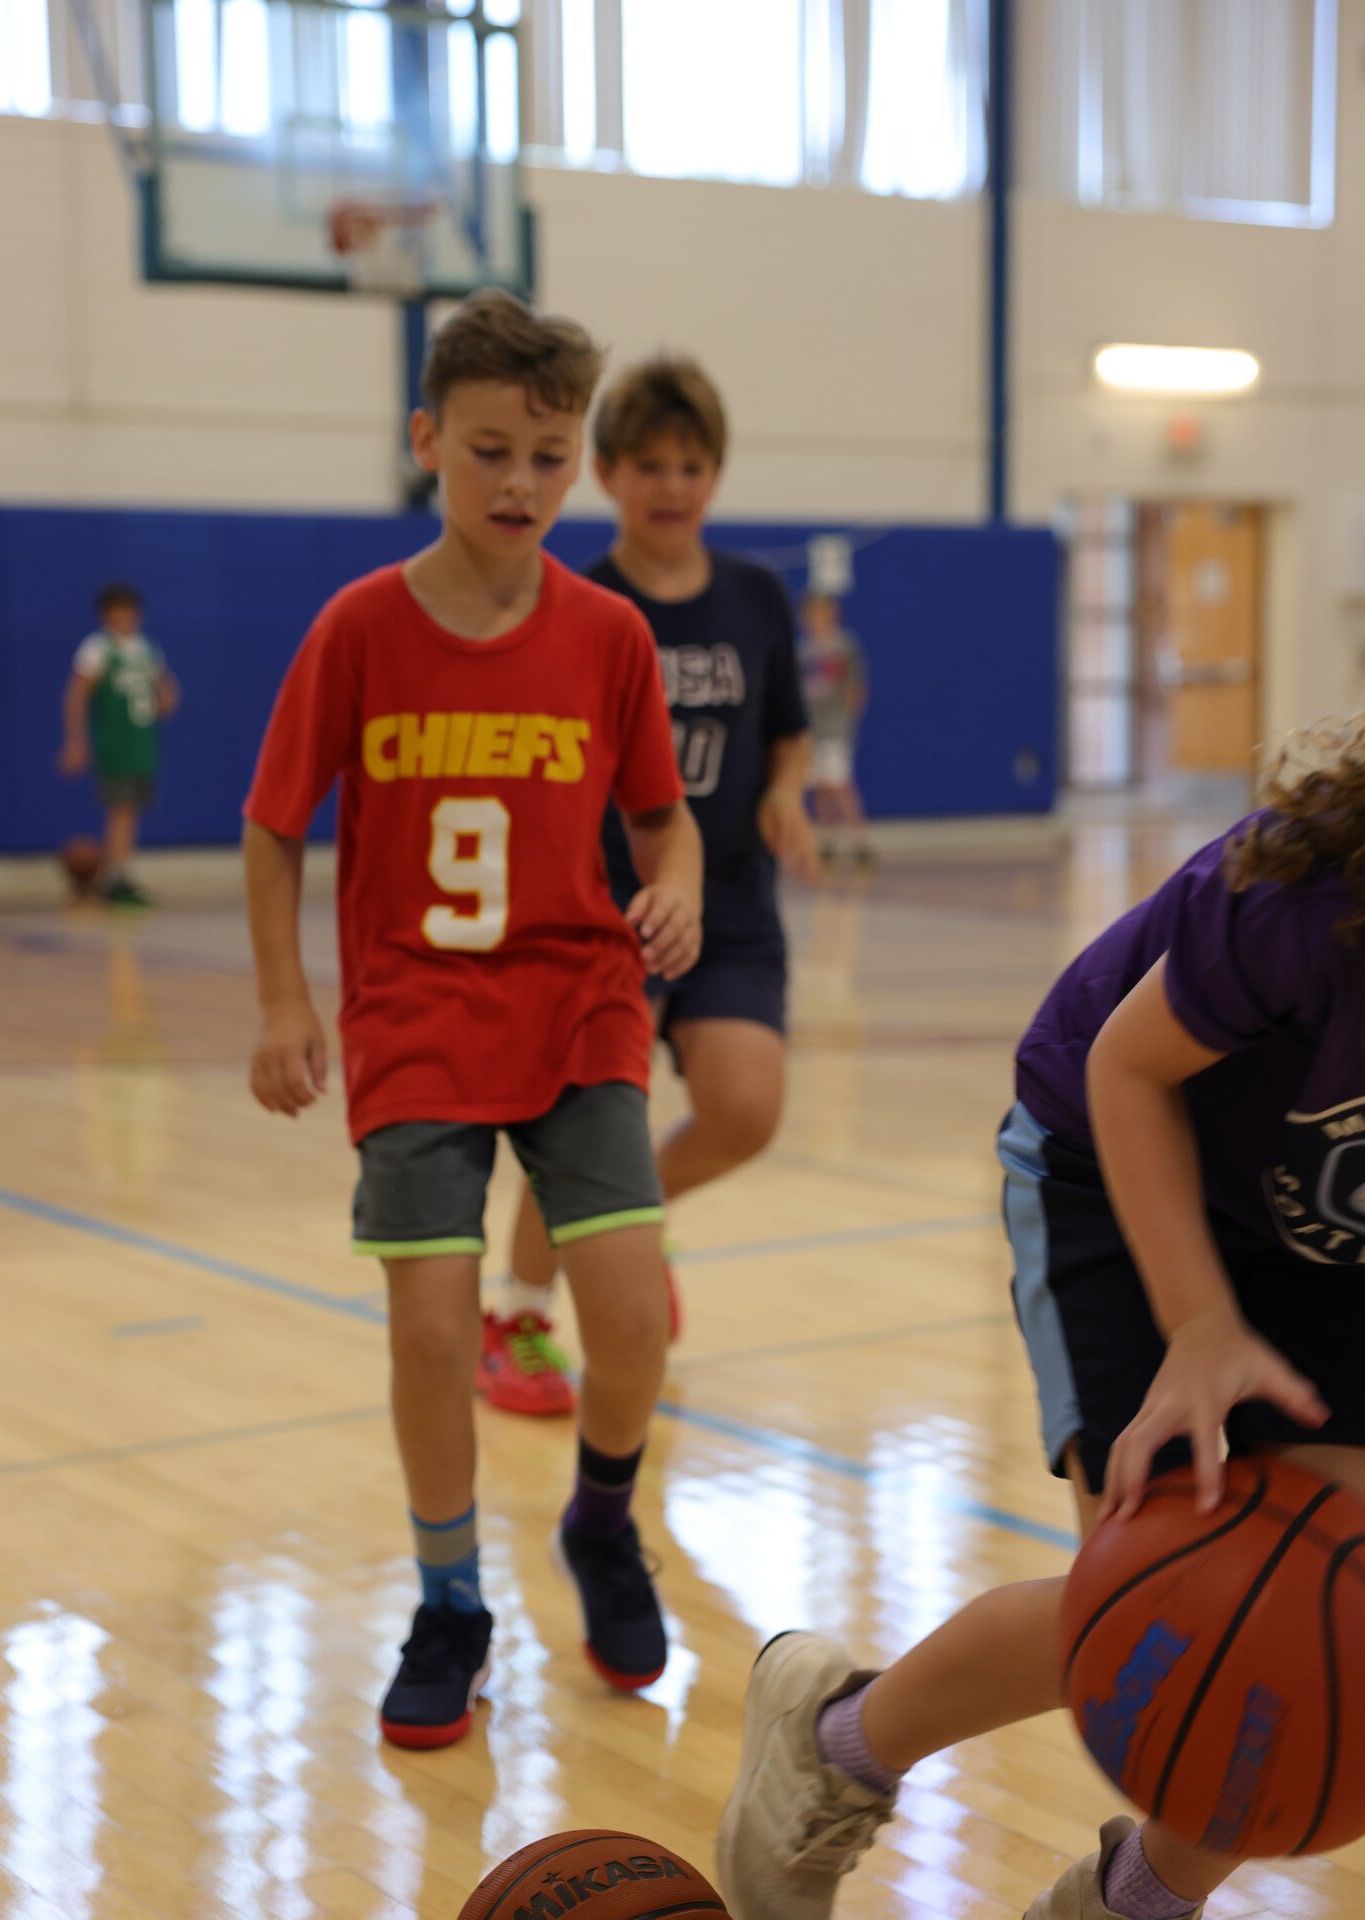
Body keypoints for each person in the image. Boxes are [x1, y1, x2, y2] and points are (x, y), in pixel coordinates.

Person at [715, 716, 1365, 1920]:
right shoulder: (1302, 894)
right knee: (1178, 1590)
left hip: (1323, 1235)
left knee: (1327, 1629)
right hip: (1116, 1156)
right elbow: (1129, 1070)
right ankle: (834, 1744)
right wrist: (1198, 1324)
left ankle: (1126, 1905)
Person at [243, 290, 704, 1749]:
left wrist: (678, 887)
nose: (519, 484)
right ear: (425, 440)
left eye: (549, 458)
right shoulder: (359, 629)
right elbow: (272, 825)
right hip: (418, 1020)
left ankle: (602, 1521)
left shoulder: (608, 635)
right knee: (436, 1336)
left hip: (576, 1008)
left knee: (627, 1316)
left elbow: (662, 818)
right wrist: (285, 999)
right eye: (490, 450)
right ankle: (450, 1603)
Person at [481, 354, 818, 1418]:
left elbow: (789, 734)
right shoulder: (575, 604)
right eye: (649, 466)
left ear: (714, 474)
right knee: (586, 1136)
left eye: (691, 466)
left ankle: (634, 1223)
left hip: (730, 904)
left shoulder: (755, 595)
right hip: (604, 907)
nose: (672, 486)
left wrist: (786, 796)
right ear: (608, 474)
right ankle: (516, 1317)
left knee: (746, 1108)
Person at [60, 583, 179, 907]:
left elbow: (165, 687)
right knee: (121, 810)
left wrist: (167, 696)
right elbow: (76, 695)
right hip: (115, 742)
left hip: (143, 742)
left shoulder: (146, 647)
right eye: (119, 611)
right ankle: (115, 878)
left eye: (130, 610)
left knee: (132, 811)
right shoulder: (97, 648)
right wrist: (76, 741)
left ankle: (119, 874)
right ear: (106, 615)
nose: (126, 617)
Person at [797, 590, 869, 865]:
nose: (816, 619)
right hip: (811, 728)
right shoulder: (803, 650)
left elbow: (855, 687)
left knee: (840, 784)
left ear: (832, 615)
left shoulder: (844, 646)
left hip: (835, 727)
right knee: (820, 786)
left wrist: (848, 720)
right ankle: (826, 842)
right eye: (811, 614)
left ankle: (859, 842)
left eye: (821, 613)